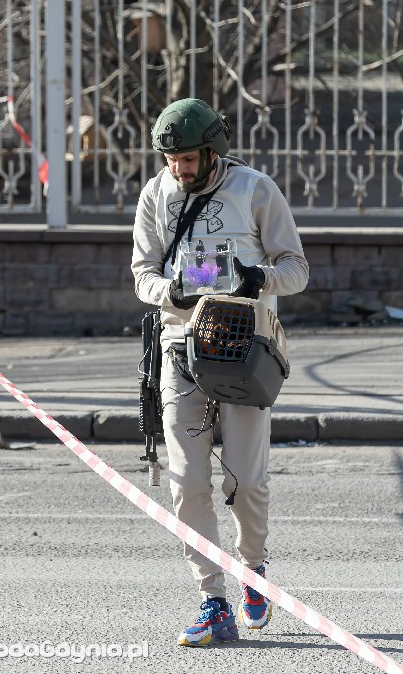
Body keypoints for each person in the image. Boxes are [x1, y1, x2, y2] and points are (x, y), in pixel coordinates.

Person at [131, 98, 309, 646]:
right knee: (187, 485)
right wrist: (172, 290)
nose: (179, 170)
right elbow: (141, 274)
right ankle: (213, 598)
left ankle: (252, 568)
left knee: (246, 482)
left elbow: (297, 269)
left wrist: (258, 278)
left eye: (187, 159)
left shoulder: (255, 189)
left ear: (213, 151)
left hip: (244, 351)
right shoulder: (156, 195)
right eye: (170, 160)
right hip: (182, 350)